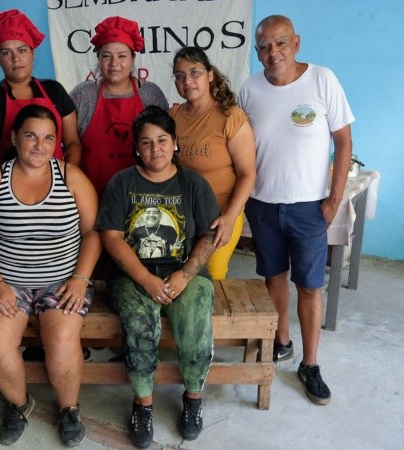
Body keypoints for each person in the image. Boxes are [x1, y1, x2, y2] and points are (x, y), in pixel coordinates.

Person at [0, 104, 100, 446]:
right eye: (30, 136)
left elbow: (94, 233)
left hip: (63, 281)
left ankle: (69, 409)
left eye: (48, 138)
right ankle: (20, 404)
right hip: (7, 281)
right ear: (14, 138)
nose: (39, 145)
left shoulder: (71, 176)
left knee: (62, 342)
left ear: (56, 143)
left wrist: (81, 279)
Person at [238, 15, 355, 406]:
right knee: (274, 277)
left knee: (309, 285)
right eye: (265, 47)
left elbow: (343, 141)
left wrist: (334, 199)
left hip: (309, 206)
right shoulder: (249, 89)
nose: (274, 53)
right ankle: (282, 341)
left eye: (281, 43)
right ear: (257, 52)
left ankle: (310, 363)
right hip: (262, 203)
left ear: (297, 43)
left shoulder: (322, 80)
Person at [97, 106, 220, 448]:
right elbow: (111, 237)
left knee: (195, 324)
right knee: (140, 327)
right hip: (132, 276)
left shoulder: (193, 183)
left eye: (163, 140)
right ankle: (143, 403)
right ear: (137, 147)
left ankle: (193, 398)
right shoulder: (122, 182)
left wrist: (185, 273)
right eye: (147, 143)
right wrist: (144, 279)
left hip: (185, 273)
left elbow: (208, 236)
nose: (156, 149)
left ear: (175, 143)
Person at [0, 9, 83, 183]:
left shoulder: (54, 90)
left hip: (55, 180)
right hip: (4, 183)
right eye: (6, 53)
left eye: (22, 50)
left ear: (32, 53)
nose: (16, 59)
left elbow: (73, 142)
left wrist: (66, 174)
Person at [169, 46, 256, 280]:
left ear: (210, 75)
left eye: (195, 73)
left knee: (211, 275)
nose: (187, 81)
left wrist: (230, 217)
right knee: (179, 275)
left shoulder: (231, 117)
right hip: (182, 215)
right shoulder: (172, 117)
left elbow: (247, 173)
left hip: (220, 213)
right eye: (180, 76)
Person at [70, 16, 168, 196]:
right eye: (106, 56)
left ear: (132, 59)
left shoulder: (151, 94)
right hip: (90, 195)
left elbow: (166, 147)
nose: (114, 63)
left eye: (122, 56)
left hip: (143, 196)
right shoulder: (82, 95)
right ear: (98, 59)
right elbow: (69, 145)